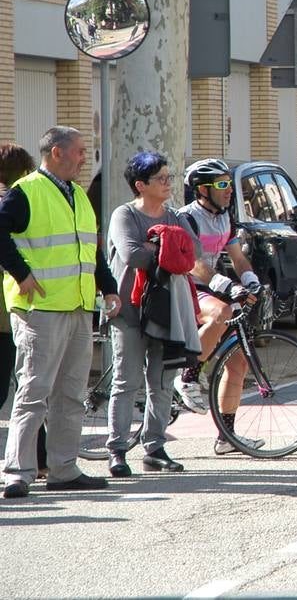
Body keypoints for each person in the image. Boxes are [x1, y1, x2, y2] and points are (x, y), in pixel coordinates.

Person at [0, 126, 120, 498]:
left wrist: (110, 288)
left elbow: (91, 249)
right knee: (35, 391)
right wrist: (22, 274)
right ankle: (18, 473)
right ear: (56, 153)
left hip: (79, 307)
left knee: (70, 394)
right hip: (41, 309)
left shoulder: (78, 197)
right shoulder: (26, 191)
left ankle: (64, 468)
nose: (85, 157)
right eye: (80, 151)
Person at [105, 152, 204, 475]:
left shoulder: (175, 216)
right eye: (161, 179)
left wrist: (161, 248)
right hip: (130, 312)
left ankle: (154, 446)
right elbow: (132, 254)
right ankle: (117, 450)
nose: (168, 184)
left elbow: (192, 255)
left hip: (166, 312)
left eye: (168, 177)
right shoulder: (125, 215)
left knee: (161, 383)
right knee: (126, 381)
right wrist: (167, 249)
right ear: (140, 185)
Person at [176, 158, 265, 456]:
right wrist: (227, 287)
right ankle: (188, 375)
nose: (230, 191)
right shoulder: (187, 218)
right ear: (203, 189)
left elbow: (238, 259)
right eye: (223, 185)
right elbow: (193, 264)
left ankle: (226, 437)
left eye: (231, 184)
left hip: (213, 288)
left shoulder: (226, 217)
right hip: (188, 288)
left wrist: (251, 283)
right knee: (223, 312)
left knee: (238, 363)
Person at [0, 143, 45, 478]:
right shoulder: (18, 200)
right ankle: (39, 460)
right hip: (20, 307)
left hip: (16, 309)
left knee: (25, 386)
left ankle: (38, 460)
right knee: (30, 386)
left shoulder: (15, 200)